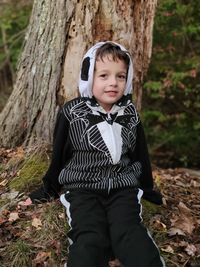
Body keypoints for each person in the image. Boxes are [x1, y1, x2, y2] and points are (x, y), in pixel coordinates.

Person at [30, 41, 165, 267]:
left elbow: (140, 154)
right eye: (104, 75)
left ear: (127, 79)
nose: (113, 82)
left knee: (129, 233)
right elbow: (59, 156)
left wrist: (147, 188)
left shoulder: (130, 113)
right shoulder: (72, 112)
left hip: (123, 188)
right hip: (83, 189)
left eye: (120, 76)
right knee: (90, 237)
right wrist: (48, 189)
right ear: (89, 76)